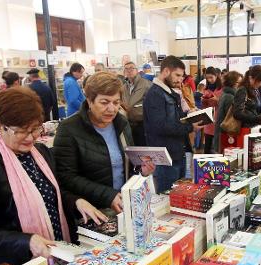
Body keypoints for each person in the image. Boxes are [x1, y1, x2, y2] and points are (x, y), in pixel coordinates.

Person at [0, 87, 105, 265]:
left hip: (58, 252)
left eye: (35, 129)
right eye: (21, 131)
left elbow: (51, 194)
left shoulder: (41, 152)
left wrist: (77, 202)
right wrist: (27, 241)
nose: (30, 138)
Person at [54, 72, 156, 212]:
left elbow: (127, 166)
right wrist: (107, 196)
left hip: (122, 205)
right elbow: (67, 177)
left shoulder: (122, 124)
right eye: (104, 102)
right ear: (89, 101)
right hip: (90, 211)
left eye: (116, 102)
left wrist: (141, 171)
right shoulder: (69, 129)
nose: (112, 109)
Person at [143, 56, 204, 192]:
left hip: (177, 152)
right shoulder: (155, 94)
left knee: (178, 195)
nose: (180, 79)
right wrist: (190, 127)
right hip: (166, 158)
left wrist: (191, 116)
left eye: (182, 76)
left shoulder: (170, 92)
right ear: (165, 71)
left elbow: (175, 119)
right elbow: (161, 126)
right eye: (177, 75)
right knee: (168, 198)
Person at [122, 62, 152, 147]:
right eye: (126, 69)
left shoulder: (146, 84)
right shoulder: (123, 87)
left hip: (142, 125)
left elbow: (152, 103)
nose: (129, 71)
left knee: (143, 151)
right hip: (128, 125)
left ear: (137, 70)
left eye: (132, 68)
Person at [216, 71, 243, 151]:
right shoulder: (230, 97)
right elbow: (231, 119)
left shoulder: (225, 94)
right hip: (226, 135)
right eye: (239, 83)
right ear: (233, 83)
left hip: (221, 133)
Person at [201, 67, 223, 153]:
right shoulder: (205, 89)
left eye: (211, 77)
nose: (210, 80)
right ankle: (205, 165)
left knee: (217, 147)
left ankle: (218, 165)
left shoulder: (222, 88)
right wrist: (203, 101)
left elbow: (226, 104)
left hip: (219, 119)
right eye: (207, 78)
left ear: (216, 76)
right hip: (209, 119)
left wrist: (217, 100)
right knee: (207, 146)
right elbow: (204, 107)